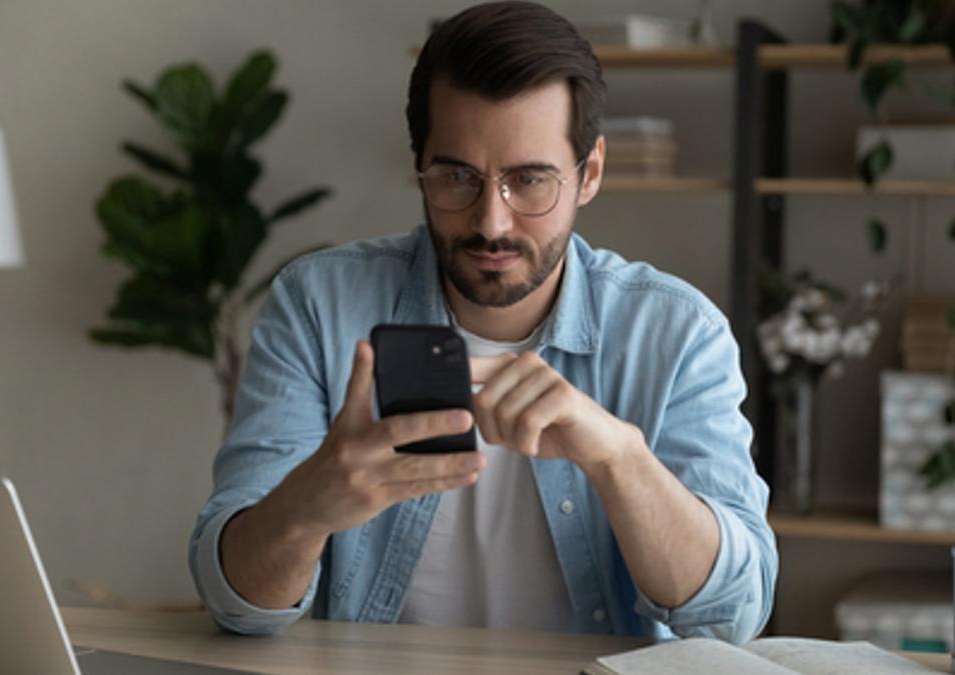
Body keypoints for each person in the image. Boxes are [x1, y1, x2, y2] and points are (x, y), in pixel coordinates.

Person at [189, 0, 776, 643]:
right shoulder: (319, 305)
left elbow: (733, 617)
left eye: (529, 181)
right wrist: (305, 509)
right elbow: (237, 607)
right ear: (420, 167)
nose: (491, 222)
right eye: (457, 177)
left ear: (591, 174)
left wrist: (618, 457)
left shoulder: (678, 332)